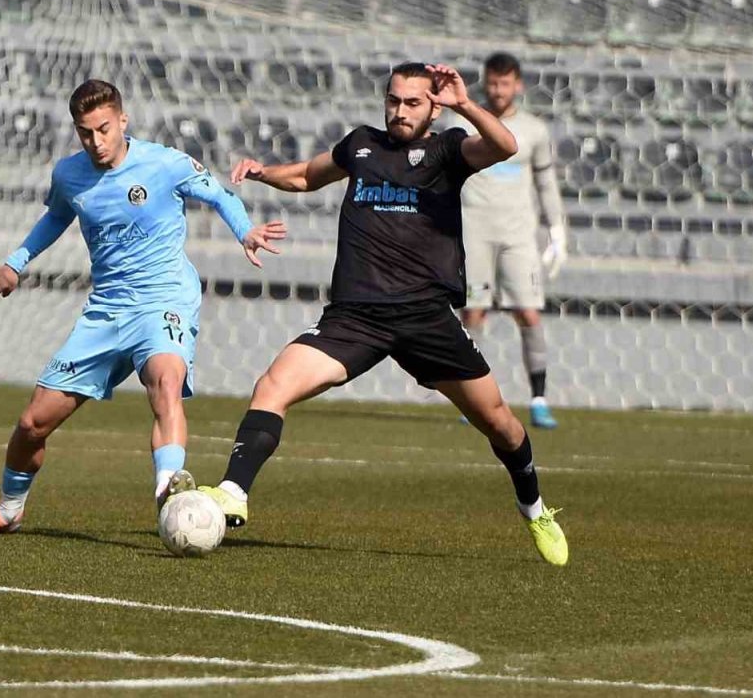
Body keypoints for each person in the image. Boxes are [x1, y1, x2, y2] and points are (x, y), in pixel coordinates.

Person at [197, 62, 568, 566]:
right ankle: (233, 493)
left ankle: (535, 508)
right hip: (356, 317)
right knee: (272, 385)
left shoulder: (447, 149)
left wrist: (464, 104)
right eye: (393, 100)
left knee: (501, 425)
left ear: (432, 107)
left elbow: (505, 147)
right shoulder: (361, 145)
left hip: (425, 318)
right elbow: (308, 175)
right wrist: (264, 173)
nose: (399, 111)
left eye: (412, 102)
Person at [0, 79, 287, 534]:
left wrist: (245, 230)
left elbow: (219, 194)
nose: (96, 141)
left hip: (164, 297)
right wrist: (15, 262)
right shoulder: (69, 175)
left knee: (166, 381)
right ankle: (9, 511)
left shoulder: (163, 163)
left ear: (122, 121)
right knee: (33, 423)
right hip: (107, 309)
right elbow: (56, 217)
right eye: (85, 132)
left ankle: (170, 492)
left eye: (104, 129)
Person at [460, 52, 567, 430]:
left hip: (519, 235)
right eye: (492, 83)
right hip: (473, 231)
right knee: (473, 313)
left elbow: (546, 183)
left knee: (528, 312)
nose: (498, 90)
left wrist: (556, 230)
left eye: (505, 83)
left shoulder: (534, 130)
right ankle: (470, 399)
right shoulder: (462, 123)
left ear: (517, 85)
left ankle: (538, 400)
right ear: (484, 82)